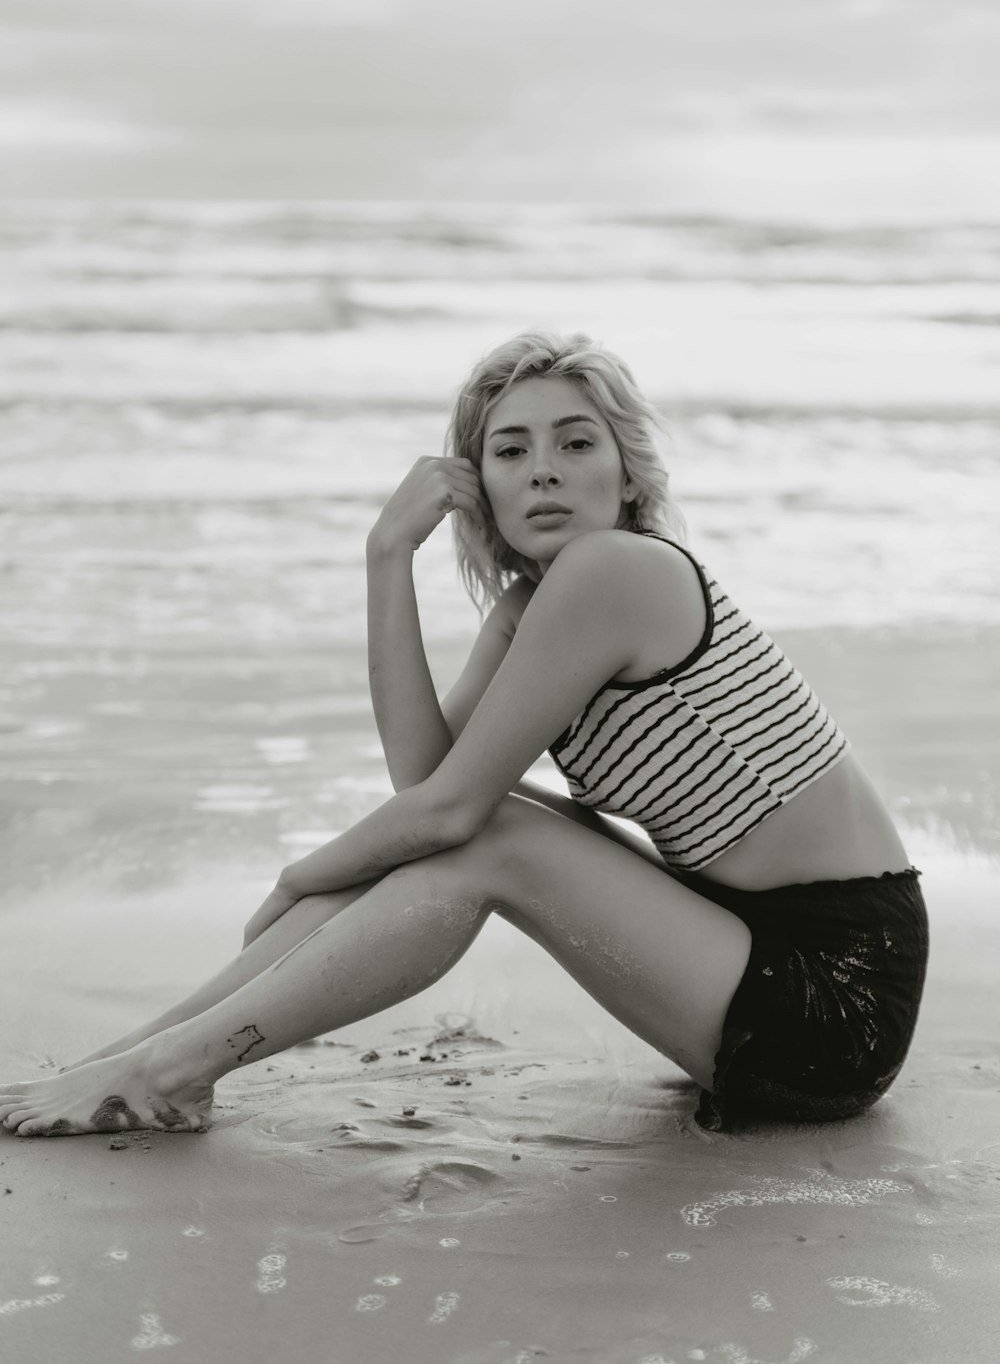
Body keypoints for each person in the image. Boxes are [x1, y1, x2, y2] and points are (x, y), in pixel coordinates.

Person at [0, 331, 928, 1139]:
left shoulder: (618, 571)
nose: (544, 470)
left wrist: (301, 873)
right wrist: (386, 555)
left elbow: (442, 816)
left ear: (628, 469)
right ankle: (138, 1056)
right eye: (510, 451)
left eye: (576, 442)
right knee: (488, 815)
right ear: (478, 485)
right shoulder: (536, 607)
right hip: (738, 949)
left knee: (495, 833)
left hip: (832, 996)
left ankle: (166, 1076)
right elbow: (427, 784)